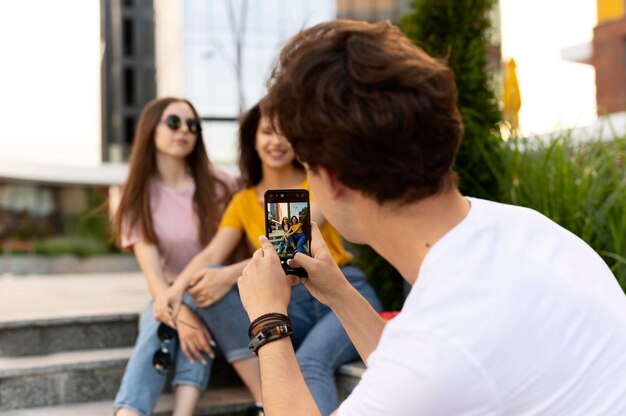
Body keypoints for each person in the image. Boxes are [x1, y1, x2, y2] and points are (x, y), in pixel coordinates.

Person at [235, 20, 626, 416]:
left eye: (307, 170)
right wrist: (338, 292)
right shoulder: (530, 229)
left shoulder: (445, 339)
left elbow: (430, 365)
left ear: (332, 179)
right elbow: (410, 371)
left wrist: (268, 320)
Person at [153, 101, 382, 416]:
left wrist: (232, 273)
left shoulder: (316, 184)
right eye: (267, 132)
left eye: (286, 133)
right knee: (208, 280)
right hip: (292, 300)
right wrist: (174, 290)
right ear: (253, 139)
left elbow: (292, 241)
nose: (277, 141)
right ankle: (263, 397)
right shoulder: (243, 200)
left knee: (310, 362)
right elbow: (210, 253)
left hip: (340, 292)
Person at [111, 97, 263, 416]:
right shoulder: (136, 196)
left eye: (192, 125)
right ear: (151, 129)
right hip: (171, 295)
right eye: (173, 122)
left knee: (185, 303)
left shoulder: (221, 184)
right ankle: (138, 411)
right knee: (159, 320)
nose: (184, 130)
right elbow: (155, 278)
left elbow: (228, 253)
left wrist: (184, 306)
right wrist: (183, 315)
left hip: (225, 292)